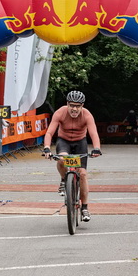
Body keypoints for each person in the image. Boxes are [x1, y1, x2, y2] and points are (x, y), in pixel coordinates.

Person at [43, 90, 102, 222]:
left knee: (83, 174)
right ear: (67, 104)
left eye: (77, 106)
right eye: (71, 105)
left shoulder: (87, 115)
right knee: (61, 159)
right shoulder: (60, 112)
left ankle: (84, 207)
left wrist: (97, 148)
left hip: (80, 143)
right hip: (64, 142)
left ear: (82, 106)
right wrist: (47, 147)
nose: (74, 109)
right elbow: (49, 132)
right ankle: (64, 180)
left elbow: (93, 133)